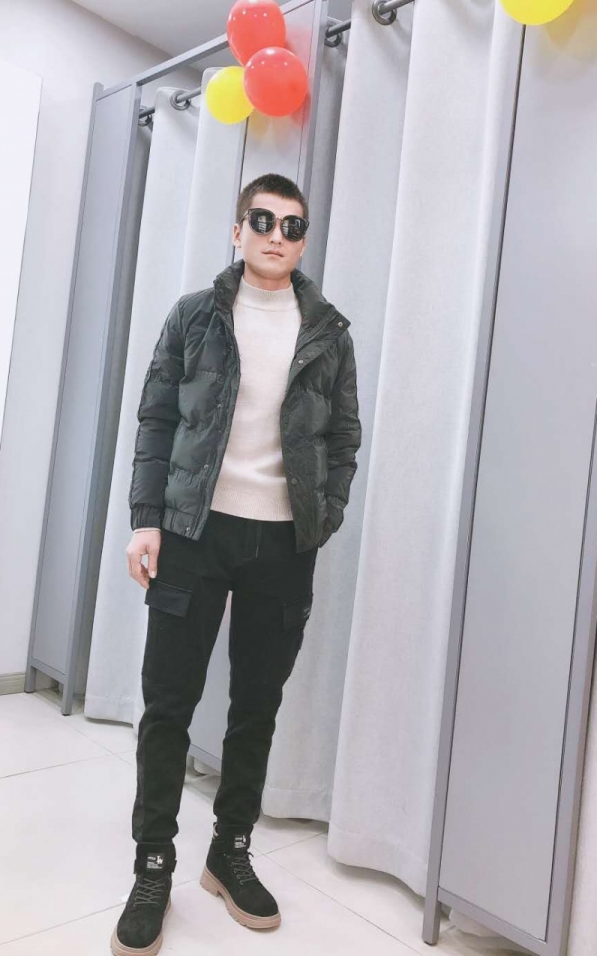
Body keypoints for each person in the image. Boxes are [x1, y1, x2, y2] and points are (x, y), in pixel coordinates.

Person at [111, 172, 361, 955]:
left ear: (303, 241)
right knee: (169, 704)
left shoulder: (329, 331)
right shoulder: (194, 316)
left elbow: (343, 436)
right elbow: (156, 419)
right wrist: (147, 521)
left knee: (257, 706)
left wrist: (324, 514)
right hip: (194, 534)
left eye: (292, 226)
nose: (276, 236)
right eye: (262, 220)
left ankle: (230, 851)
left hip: (282, 545)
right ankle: (154, 864)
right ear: (237, 229)